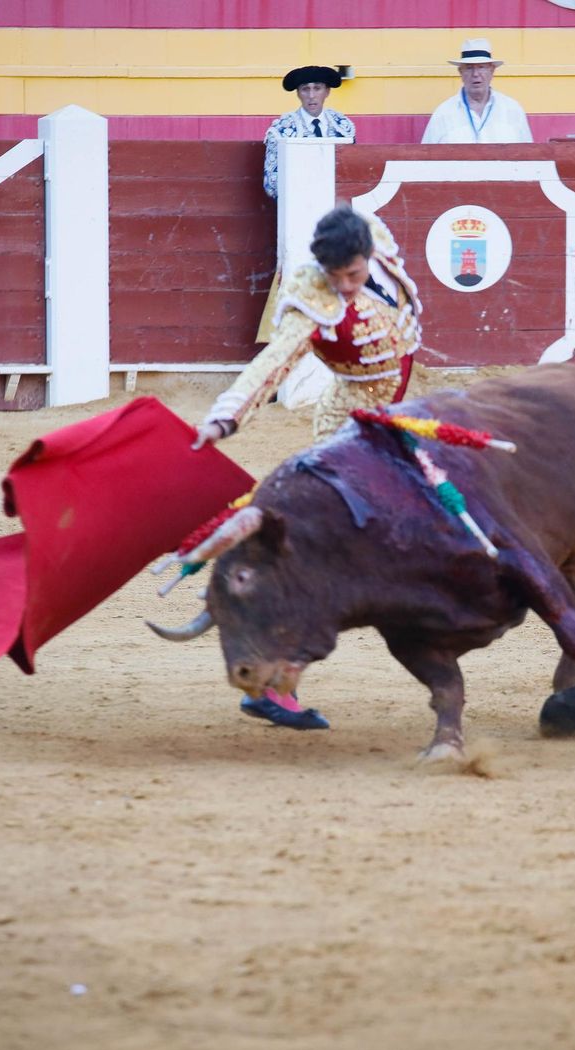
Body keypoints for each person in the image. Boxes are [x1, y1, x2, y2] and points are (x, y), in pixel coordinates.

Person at [191, 205, 424, 730]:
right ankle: (273, 680)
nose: (344, 287)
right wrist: (224, 419)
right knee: (335, 550)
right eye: (335, 276)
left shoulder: (377, 240)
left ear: (367, 256)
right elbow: (268, 367)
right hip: (349, 428)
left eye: (354, 275)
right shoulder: (310, 301)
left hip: (397, 416)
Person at [263, 65, 356, 199]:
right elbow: (272, 184)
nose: (311, 96)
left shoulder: (342, 126)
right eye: (305, 89)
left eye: (317, 88)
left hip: (336, 206)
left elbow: (351, 174)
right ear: (298, 93)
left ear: (327, 92)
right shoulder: (282, 130)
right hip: (297, 205)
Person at [420, 37, 534, 145]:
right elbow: (426, 158)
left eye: (481, 67)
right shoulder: (443, 114)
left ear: (492, 70)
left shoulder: (513, 110)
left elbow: (531, 156)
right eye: (469, 68)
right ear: (460, 72)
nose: (475, 74)